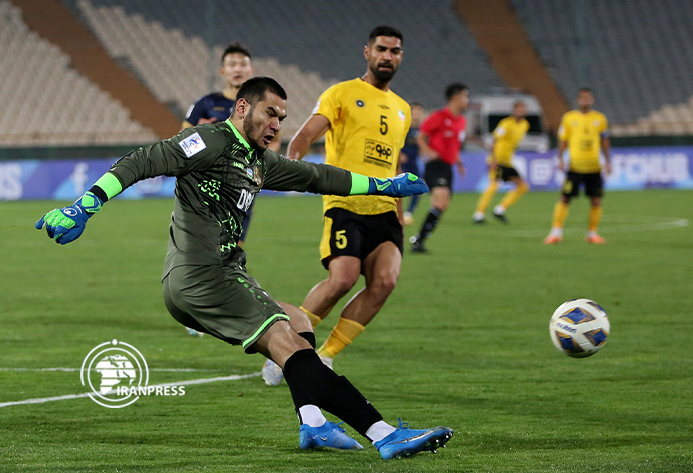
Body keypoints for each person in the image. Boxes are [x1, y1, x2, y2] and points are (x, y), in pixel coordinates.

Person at [35, 77, 452, 459]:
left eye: (282, 118)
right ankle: (382, 433)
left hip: (222, 276)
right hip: (204, 277)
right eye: (270, 113)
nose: (276, 124)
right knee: (288, 343)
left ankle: (314, 423)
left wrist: (384, 185)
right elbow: (141, 161)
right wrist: (85, 205)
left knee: (299, 322)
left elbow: (317, 176)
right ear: (241, 108)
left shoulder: (258, 161)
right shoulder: (210, 140)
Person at [260, 26, 412, 385]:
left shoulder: (403, 109)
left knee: (385, 282)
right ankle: (283, 350)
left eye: (395, 51)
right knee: (342, 279)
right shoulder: (342, 93)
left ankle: (325, 355)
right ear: (367, 52)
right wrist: (291, 169)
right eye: (382, 49)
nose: (388, 56)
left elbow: (394, 164)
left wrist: (401, 211)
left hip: (385, 208)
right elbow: (304, 136)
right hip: (346, 202)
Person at [180, 44, 265, 337]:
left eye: (242, 63)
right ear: (223, 71)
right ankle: (199, 309)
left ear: (250, 69)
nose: (238, 68)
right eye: (232, 64)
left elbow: (272, 142)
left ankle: (211, 307)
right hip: (209, 189)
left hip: (241, 189)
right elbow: (183, 137)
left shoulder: (260, 105)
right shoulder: (206, 104)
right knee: (202, 249)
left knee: (233, 250)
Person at [544, 87, 611, 245]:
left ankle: (592, 234)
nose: (585, 101)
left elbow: (605, 141)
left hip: (594, 167)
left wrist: (608, 161)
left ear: (592, 100)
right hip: (575, 166)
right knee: (565, 198)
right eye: (583, 98)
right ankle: (555, 233)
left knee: (596, 200)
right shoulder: (569, 118)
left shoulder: (600, 119)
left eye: (588, 98)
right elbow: (563, 140)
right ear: (578, 100)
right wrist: (560, 158)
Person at [409, 83, 469, 253]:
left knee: (443, 204)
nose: (467, 100)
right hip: (435, 165)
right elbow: (421, 135)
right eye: (465, 96)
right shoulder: (439, 116)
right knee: (440, 201)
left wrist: (458, 162)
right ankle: (418, 240)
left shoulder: (462, 121)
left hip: (448, 166)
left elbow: (454, 145)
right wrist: (428, 151)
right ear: (455, 97)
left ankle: (419, 240)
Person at [472, 102, 530, 224]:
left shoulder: (525, 125)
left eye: (523, 109)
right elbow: (495, 140)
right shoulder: (506, 123)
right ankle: (478, 214)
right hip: (497, 160)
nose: (521, 111)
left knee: (523, 186)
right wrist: (493, 160)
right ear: (514, 110)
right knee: (494, 185)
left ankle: (500, 209)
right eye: (519, 109)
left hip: (507, 162)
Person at [400, 102, 425, 225]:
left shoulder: (422, 129)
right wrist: (399, 154)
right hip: (401, 163)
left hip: (413, 163)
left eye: (419, 112)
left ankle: (408, 213)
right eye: (415, 112)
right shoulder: (403, 127)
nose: (417, 115)